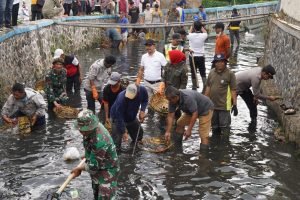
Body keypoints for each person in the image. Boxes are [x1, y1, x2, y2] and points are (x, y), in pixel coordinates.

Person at [72, 109, 119, 199]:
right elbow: (90, 146)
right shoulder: (91, 130)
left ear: (91, 127)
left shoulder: (100, 140)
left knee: (105, 197)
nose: (82, 132)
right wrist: (86, 155)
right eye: (80, 129)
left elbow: (93, 167)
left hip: (108, 170)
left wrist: (79, 169)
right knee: (96, 194)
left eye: (84, 130)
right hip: (97, 167)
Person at [164, 86, 214, 152]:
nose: (169, 101)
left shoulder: (187, 98)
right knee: (180, 123)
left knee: (203, 134)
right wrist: (168, 131)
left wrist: (189, 130)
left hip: (205, 109)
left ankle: (203, 156)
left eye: (170, 100)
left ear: (176, 97)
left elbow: (195, 114)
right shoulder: (172, 100)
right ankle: (177, 146)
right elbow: (170, 116)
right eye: (168, 100)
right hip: (191, 111)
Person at [204, 54, 237, 135]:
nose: (219, 64)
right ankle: (215, 144)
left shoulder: (230, 74)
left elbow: (233, 90)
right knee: (214, 126)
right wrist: (204, 102)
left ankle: (225, 145)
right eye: (217, 62)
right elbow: (208, 87)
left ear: (225, 62)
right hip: (212, 105)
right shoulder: (211, 72)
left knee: (225, 127)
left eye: (221, 61)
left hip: (224, 106)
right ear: (215, 63)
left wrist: (235, 105)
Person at [110, 83, 148, 150]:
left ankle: (136, 147)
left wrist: (142, 111)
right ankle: (116, 153)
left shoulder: (142, 90)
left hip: (131, 116)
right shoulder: (121, 99)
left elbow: (145, 100)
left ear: (137, 93)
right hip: (117, 118)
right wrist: (124, 131)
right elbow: (119, 117)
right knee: (116, 143)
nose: (129, 98)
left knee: (138, 135)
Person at [187, 21, 208, 91]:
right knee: (203, 71)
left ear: (194, 28)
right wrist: (201, 26)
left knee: (193, 72)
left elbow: (189, 31)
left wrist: (192, 26)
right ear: (200, 27)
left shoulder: (190, 36)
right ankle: (205, 86)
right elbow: (204, 31)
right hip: (201, 56)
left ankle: (194, 86)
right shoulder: (204, 35)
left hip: (192, 56)